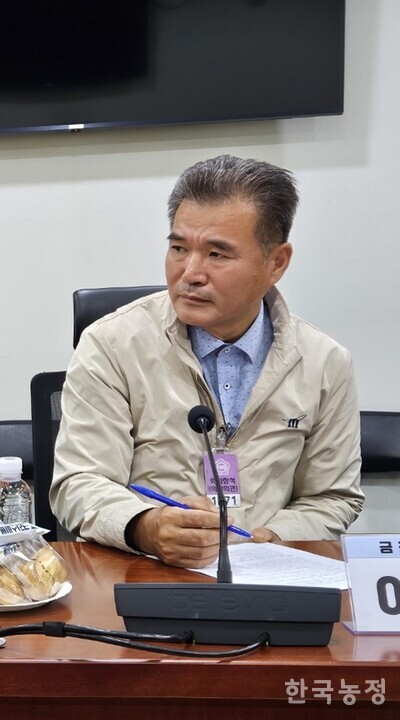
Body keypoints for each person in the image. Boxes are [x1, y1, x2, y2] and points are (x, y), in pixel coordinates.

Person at [50, 155, 363, 569]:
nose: (190, 273)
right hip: (143, 573)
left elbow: (332, 498)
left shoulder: (325, 362)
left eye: (217, 255)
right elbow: (79, 482)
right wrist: (146, 524)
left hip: (267, 575)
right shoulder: (112, 344)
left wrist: (274, 537)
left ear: (276, 262)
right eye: (179, 248)